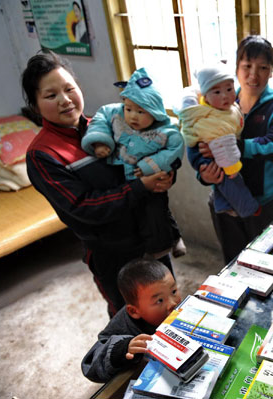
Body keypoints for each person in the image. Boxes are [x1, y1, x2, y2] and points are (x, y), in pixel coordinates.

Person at [23, 52, 175, 317]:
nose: (66, 100)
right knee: (131, 321)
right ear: (35, 106)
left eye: (70, 88)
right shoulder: (43, 155)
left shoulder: (107, 126)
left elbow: (148, 150)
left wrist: (166, 172)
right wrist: (141, 187)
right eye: (51, 95)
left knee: (168, 308)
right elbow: (84, 207)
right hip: (113, 253)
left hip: (150, 235)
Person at [195, 35, 273, 264]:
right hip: (224, 198)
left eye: (263, 67)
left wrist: (234, 147)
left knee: (265, 263)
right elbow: (200, 142)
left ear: (271, 71)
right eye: (247, 66)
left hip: (265, 202)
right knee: (233, 263)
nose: (253, 75)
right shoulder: (219, 101)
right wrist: (203, 173)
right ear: (236, 68)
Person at [81, 67, 186, 259]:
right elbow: (99, 119)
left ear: (154, 112)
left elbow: (174, 150)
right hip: (123, 180)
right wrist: (100, 141)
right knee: (143, 214)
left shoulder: (165, 131)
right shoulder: (114, 114)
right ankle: (172, 238)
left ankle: (161, 247)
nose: (133, 116)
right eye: (129, 109)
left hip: (150, 177)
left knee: (157, 211)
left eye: (141, 111)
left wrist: (149, 166)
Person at [176, 62, 260, 218]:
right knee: (229, 178)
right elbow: (224, 149)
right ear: (205, 97)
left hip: (217, 149)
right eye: (217, 92)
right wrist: (232, 168)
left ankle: (223, 205)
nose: (225, 95)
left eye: (229, 89)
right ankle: (248, 207)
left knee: (221, 178)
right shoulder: (212, 119)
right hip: (203, 152)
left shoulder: (225, 108)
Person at [81, 258, 182, 383]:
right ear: (134, 311)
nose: (172, 303)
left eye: (174, 291)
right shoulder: (122, 326)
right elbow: (90, 366)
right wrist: (123, 349)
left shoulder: (177, 310)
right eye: (159, 300)